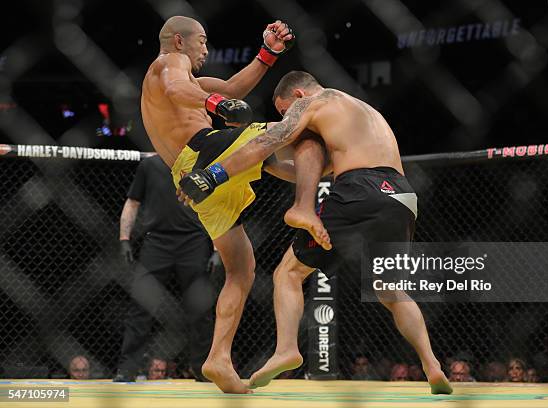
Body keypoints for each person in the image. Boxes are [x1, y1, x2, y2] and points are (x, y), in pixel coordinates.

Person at [178, 71, 452, 394]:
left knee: (288, 273)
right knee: (391, 291)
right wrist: (262, 166)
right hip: (402, 195)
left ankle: (286, 349)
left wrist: (214, 175)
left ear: (296, 96)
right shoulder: (360, 111)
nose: (286, 117)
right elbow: (309, 170)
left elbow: (271, 139)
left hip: (359, 188)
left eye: (283, 110)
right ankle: (432, 365)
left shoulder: (315, 101)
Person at [140, 15, 295, 394]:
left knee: (242, 269)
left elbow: (230, 87)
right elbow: (181, 89)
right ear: (179, 41)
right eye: (202, 43)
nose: (206, 51)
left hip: (196, 171)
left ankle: (219, 359)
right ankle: (333, 170)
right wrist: (216, 104)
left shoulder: (189, 80)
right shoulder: (167, 65)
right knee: (290, 126)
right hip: (202, 156)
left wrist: (268, 54)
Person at [114, 155, 214, 383]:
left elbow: (217, 205)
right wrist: (124, 238)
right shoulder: (150, 164)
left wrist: (217, 248)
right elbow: (132, 201)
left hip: (194, 240)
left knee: (200, 307)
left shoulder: (201, 164)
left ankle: (202, 368)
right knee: (141, 305)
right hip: (156, 241)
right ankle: (127, 369)